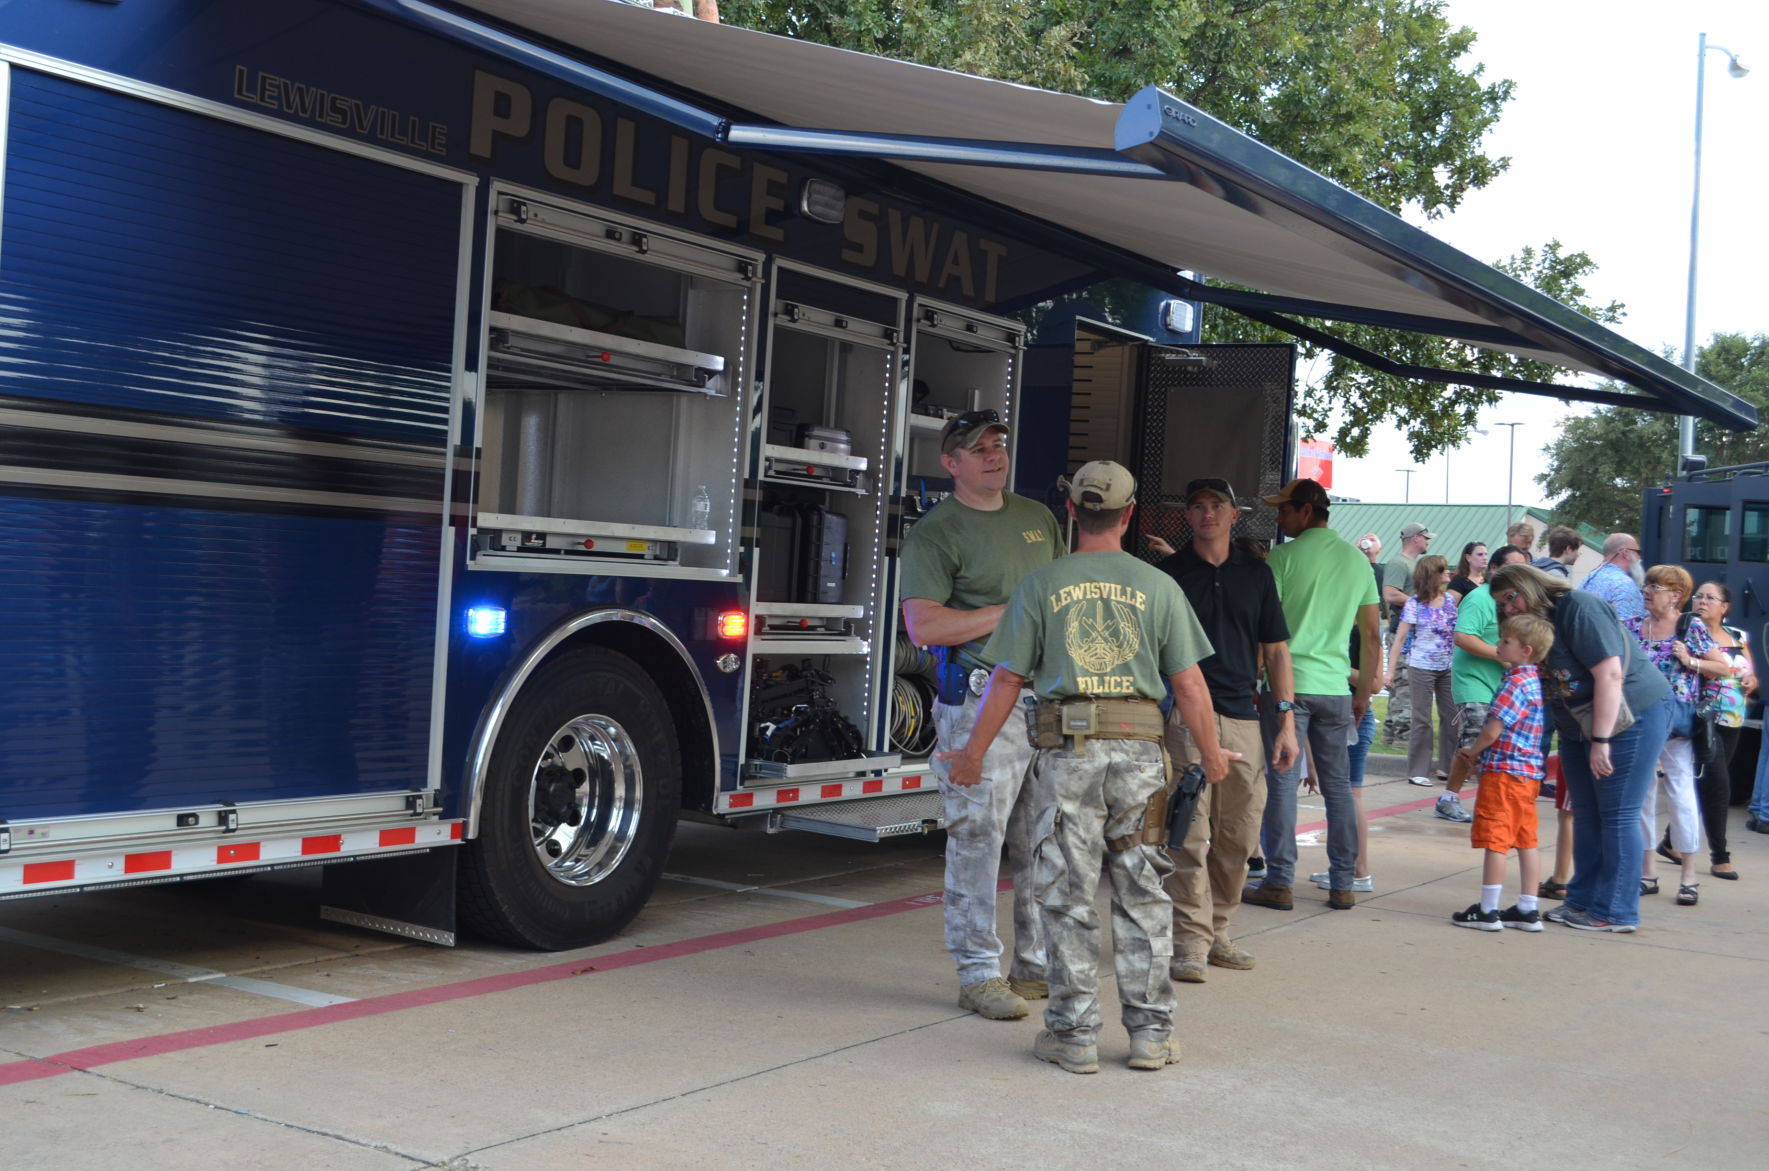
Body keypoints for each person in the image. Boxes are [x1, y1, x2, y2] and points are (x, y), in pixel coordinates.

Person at [940, 460, 1232, 1074]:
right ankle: (1151, 1036)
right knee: (1142, 892)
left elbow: (1005, 680)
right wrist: (1209, 753)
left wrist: (971, 755)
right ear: (1129, 517)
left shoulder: (1041, 585)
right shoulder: (1160, 587)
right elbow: (1190, 685)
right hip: (1139, 760)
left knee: (1067, 895)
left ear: (1071, 512)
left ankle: (1074, 1036)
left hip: (1066, 757)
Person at [900, 409, 1062, 1022]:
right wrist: (1010, 610)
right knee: (977, 837)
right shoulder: (937, 533)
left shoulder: (1038, 519)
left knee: (1042, 838)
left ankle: (1035, 966)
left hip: (1044, 700)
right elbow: (925, 625)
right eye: (979, 448)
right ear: (951, 464)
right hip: (975, 701)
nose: (995, 454)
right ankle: (976, 973)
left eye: (999, 443)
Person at [1154, 478, 1298, 983]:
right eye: (1197, 506)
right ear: (1186, 517)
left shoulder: (1256, 574)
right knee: (1188, 835)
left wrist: (1285, 722)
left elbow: (1277, 650)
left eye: (1217, 506)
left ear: (1235, 516)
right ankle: (1189, 942)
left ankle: (1219, 932)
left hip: (1243, 716)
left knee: (1238, 835)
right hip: (1184, 718)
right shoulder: (1170, 574)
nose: (1208, 514)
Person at [1489, 563, 1671, 932]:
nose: (1508, 608)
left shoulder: (1578, 607)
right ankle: (1582, 901)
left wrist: (1601, 741)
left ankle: (1615, 911)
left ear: (1530, 586)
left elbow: (1610, 674)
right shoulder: (1536, 627)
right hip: (1578, 724)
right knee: (1586, 812)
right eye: (1501, 604)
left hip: (1631, 714)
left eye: (1511, 597)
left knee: (1617, 813)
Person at [1245, 478, 1381, 911]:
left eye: (1284, 510)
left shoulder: (1282, 558)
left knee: (1282, 782)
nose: (1279, 518)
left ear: (1306, 511)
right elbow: (1373, 634)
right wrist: (1363, 692)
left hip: (1287, 687)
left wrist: (1256, 677)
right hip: (1335, 687)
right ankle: (1342, 883)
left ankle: (1280, 881)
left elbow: (1266, 630)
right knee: (1339, 787)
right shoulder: (1357, 562)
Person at [1625, 565, 1725, 908]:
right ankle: (1647, 873)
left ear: (1676, 595)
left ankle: (1689, 876)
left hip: (1676, 724)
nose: (1647, 590)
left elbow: (1724, 667)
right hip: (1638, 721)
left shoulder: (1690, 626)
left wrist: (1691, 660)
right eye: (1647, 584)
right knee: (1643, 796)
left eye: (1656, 586)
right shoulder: (1633, 626)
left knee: (1681, 793)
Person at [1449, 613, 1555, 931]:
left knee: (1496, 838)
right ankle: (1527, 907)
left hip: (1504, 773)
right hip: (1528, 775)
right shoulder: (1535, 681)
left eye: (1505, 641)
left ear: (1525, 650)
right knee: (1526, 839)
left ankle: (1488, 909)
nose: (1498, 644)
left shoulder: (1515, 682)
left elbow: (1493, 729)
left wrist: (1473, 751)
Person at [1442, 544, 1533, 824]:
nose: (1518, 574)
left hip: (1502, 685)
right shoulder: (1480, 599)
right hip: (1474, 682)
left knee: (1492, 743)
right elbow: (1462, 637)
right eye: (1512, 567)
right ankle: (1449, 799)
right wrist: (1502, 656)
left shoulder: (1513, 602)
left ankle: (1491, 799)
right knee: (1476, 738)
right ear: (1493, 568)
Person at [1670, 583, 1753, 879]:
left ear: (1725, 606)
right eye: (1699, 596)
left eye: (1710, 597)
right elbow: (1703, 670)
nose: (1702, 601)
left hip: (1733, 718)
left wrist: (1751, 681)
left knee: (1703, 782)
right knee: (1719, 784)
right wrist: (1694, 661)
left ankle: (1671, 840)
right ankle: (1720, 857)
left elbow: (1748, 672)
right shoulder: (1688, 634)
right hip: (1703, 717)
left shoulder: (1738, 637)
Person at [1386, 555, 1457, 789]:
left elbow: (1457, 634)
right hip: (1421, 665)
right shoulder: (1415, 604)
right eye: (1443, 570)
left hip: (1447, 666)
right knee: (1422, 718)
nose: (1448, 574)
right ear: (1432, 575)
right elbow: (1400, 639)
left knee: (1451, 716)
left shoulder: (1449, 601)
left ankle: (1448, 766)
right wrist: (1390, 671)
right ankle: (1418, 770)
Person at [1380, 521, 1434, 748]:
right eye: (1425, 537)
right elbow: (1390, 594)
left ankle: (1391, 734)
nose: (1428, 541)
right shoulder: (1399, 563)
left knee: (1402, 684)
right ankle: (1403, 737)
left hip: (1409, 631)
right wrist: (1422, 602)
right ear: (1415, 538)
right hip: (1403, 632)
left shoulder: (1411, 564)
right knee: (1405, 683)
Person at [1579, 533, 1646, 623]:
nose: (1639, 557)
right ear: (1625, 553)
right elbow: (1627, 631)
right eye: (1638, 552)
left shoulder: (1589, 578)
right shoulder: (1625, 585)